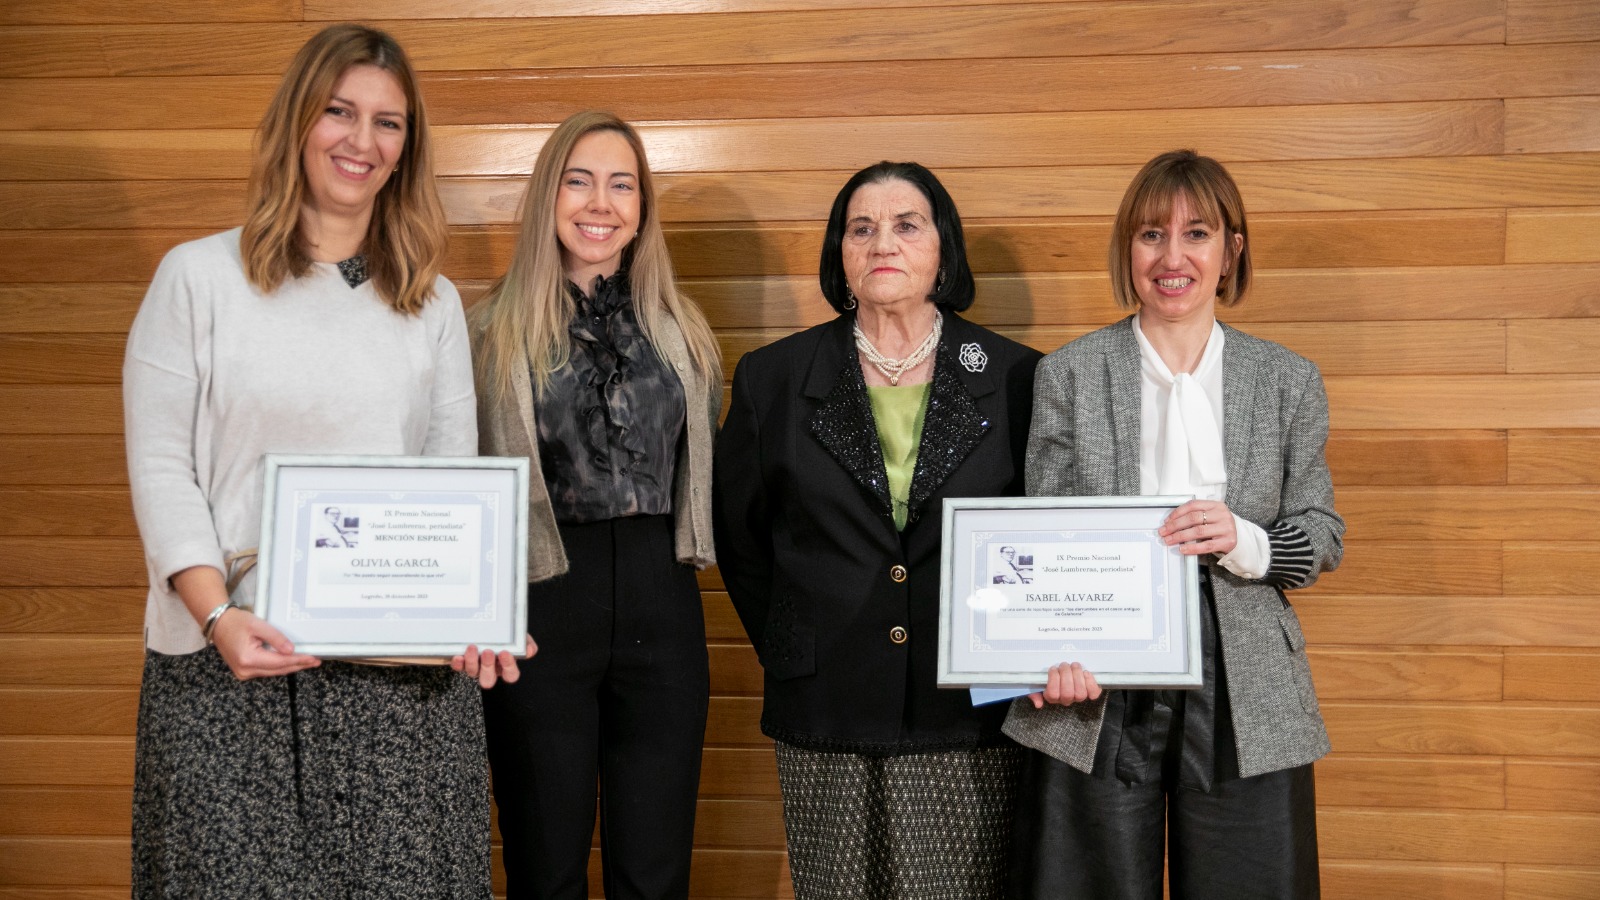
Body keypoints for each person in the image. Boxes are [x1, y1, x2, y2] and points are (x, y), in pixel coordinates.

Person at [122, 24, 523, 898]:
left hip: (400, 696)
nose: (362, 140)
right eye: (340, 112)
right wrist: (218, 616)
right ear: (298, 121)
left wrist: (479, 616)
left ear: (406, 149)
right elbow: (161, 471)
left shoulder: (433, 303)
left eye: (389, 123)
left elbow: (450, 488)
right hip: (229, 671)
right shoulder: (196, 279)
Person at [1002, 150, 1345, 899]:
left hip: (1245, 670)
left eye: (1197, 234)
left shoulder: (1287, 379)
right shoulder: (1069, 373)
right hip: (1097, 675)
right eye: (1152, 234)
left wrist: (1244, 538)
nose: (1173, 256)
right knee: (1079, 881)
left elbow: (1321, 534)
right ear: (1129, 249)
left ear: (1231, 253)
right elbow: (1041, 537)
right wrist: (1048, 653)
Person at [714, 161, 1042, 899]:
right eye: (861, 228)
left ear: (943, 252)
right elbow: (740, 536)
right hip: (823, 702)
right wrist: (795, 637)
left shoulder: (1021, 379)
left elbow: (1039, 539)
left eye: (906, 225)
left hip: (964, 710)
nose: (881, 242)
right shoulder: (774, 376)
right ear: (841, 254)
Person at [471, 110, 722, 900]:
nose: (600, 202)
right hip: (540, 603)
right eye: (578, 180)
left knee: (654, 870)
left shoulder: (684, 332)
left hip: (664, 602)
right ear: (548, 195)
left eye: (622, 184)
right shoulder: (486, 333)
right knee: (545, 867)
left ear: (642, 207)